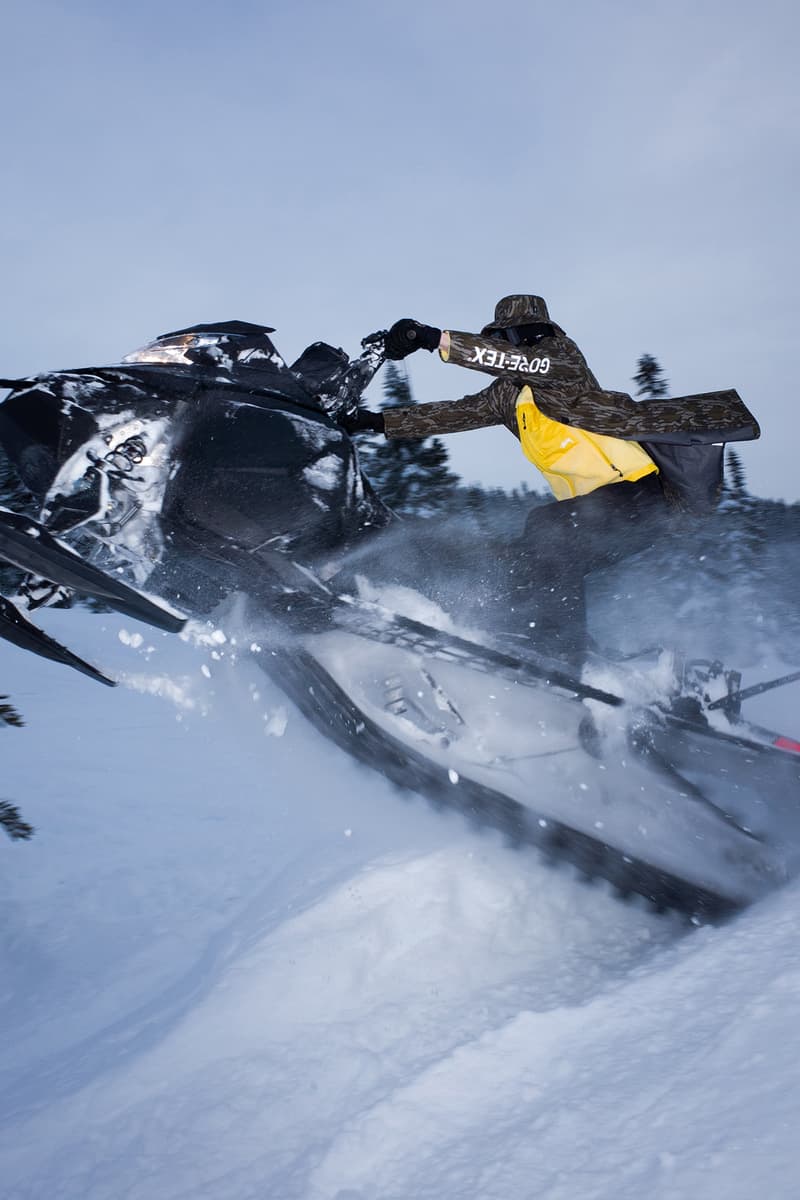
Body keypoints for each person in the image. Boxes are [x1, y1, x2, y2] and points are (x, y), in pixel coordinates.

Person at [368, 295, 760, 665]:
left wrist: (433, 338)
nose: (511, 346)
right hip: (597, 513)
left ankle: (560, 652)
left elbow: (524, 364)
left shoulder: (562, 362)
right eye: (501, 339)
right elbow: (454, 413)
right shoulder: (508, 396)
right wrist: (374, 422)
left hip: (647, 495)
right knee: (517, 563)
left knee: (549, 527)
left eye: (511, 338)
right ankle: (540, 643)